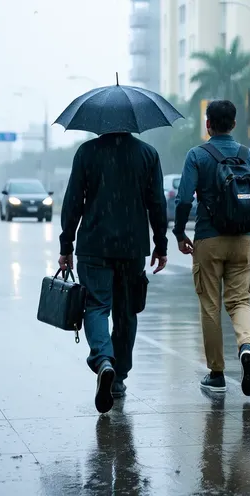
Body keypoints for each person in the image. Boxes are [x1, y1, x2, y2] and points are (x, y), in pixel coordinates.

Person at [58, 132, 168, 414]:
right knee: (126, 312)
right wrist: (161, 244)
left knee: (96, 306)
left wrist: (66, 244)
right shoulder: (147, 154)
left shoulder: (86, 152)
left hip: (94, 245)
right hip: (132, 247)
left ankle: (103, 359)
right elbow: (157, 202)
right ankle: (118, 377)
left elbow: (73, 201)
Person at [173, 100, 250, 396]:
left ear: (208, 125)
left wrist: (178, 233)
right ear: (235, 124)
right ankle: (246, 347)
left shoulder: (197, 156)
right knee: (240, 302)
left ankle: (217, 374)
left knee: (210, 306)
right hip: (243, 239)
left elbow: (184, 200)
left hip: (208, 240)